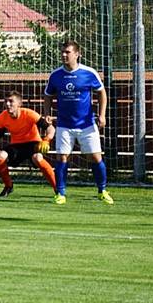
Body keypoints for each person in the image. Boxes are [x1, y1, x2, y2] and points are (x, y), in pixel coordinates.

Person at [43, 40, 113, 205]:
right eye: (63, 52)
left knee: (96, 158)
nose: (64, 55)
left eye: (67, 52)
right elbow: (48, 95)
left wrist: (102, 115)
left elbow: (102, 93)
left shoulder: (89, 73)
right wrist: (47, 114)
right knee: (61, 158)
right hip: (64, 125)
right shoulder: (55, 75)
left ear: (77, 54)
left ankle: (102, 190)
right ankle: (60, 193)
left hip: (87, 124)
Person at [0, 90, 56, 197]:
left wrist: (46, 140)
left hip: (33, 144)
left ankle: (57, 189)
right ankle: (8, 186)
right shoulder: (2, 118)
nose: (7, 104)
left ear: (19, 104)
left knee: (38, 158)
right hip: (16, 146)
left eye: (11, 101)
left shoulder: (30, 114)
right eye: (6, 101)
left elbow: (51, 128)